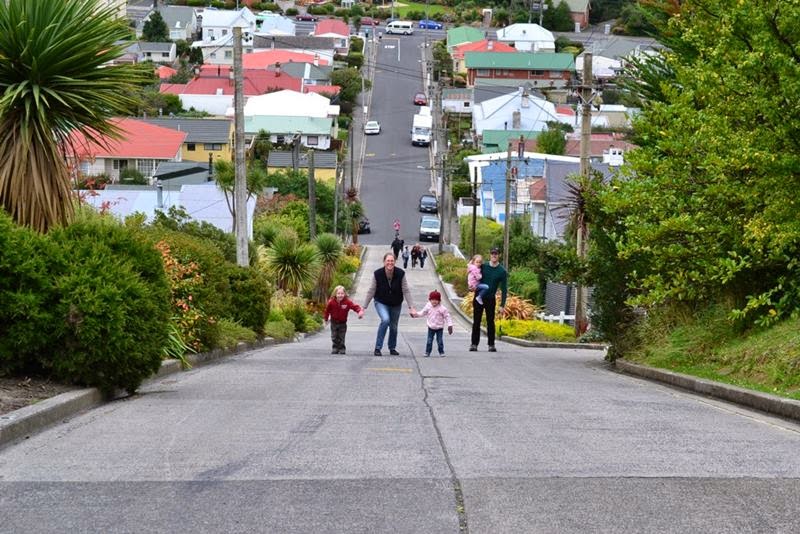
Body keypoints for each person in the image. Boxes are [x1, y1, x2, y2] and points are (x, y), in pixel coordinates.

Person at [364, 253, 417, 356]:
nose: (390, 263)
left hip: (396, 303)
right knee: (385, 320)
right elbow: (371, 290)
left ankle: (392, 347)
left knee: (393, 326)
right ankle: (378, 348)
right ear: (384, 262)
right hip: (381, 302)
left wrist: (411, 307)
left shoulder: (400, 273)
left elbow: (406, 290)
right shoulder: (377, 274)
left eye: (392, 261)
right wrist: (364, 307)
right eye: (388, 261)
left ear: (395, 262)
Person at [470, 247, 507, 353]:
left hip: (490, 299)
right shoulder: (483, 266)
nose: (494, 255)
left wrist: (502, 305)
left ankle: (491, 344)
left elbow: (504, 289)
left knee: (490, 322)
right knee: (476, 321)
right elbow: (473, 274)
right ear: (490, 255)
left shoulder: (502, 271)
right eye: (492, 253)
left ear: (499, 255)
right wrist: (471, 286)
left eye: (496, 253)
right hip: (479, 297)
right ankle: (474, 344)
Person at [324, 285, 364, 354]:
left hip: (342, 323)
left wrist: (359, 311)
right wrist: (326, 318)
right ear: (335, 294)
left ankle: (342, 348)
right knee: (334, 336)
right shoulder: (331, 302)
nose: (340, 295)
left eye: (342, 293)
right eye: (338, 293)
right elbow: (327, 310)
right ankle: (335, 347)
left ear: (345, 294)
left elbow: (354, 307)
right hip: (334, 322)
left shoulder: (347, 302)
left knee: (341, 336)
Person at [414, 290, 453, 357]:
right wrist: (416, 314)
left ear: (439, 301)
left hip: (439, 328)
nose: (434, 301)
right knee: (429, 341)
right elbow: (423, 312)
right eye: (432, 300)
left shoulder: (442, 308)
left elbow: (447, 317)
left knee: (439, 341)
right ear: (430, 300)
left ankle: (441, 352)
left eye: (436, 300)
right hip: (431, 327)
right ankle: (427, 352)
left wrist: (450, 325)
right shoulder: (428, 306)